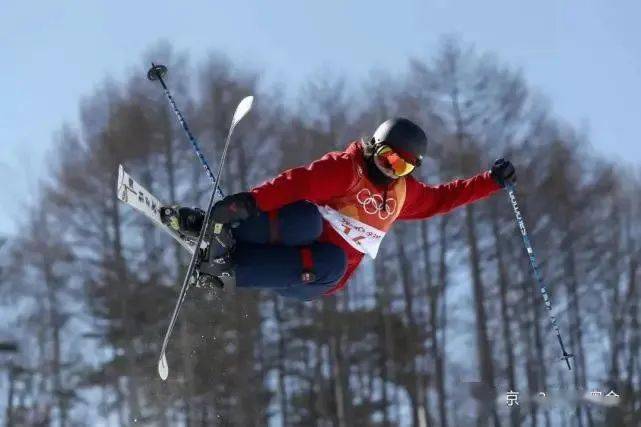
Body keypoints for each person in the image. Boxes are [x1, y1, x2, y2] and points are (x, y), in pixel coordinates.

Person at [161, 118, 515, 301]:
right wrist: (246, 203)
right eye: (388, 158)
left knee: (334, 260)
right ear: (374, 146)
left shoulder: (402, 194)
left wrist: (491, 181)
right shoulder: (348, 170)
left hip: (315, 276)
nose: (391, 170)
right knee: (307, 219)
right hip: (287, 236)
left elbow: (442, 198)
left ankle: (227, 271)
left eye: (403, 167)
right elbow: (296, 183)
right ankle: (218, 230)